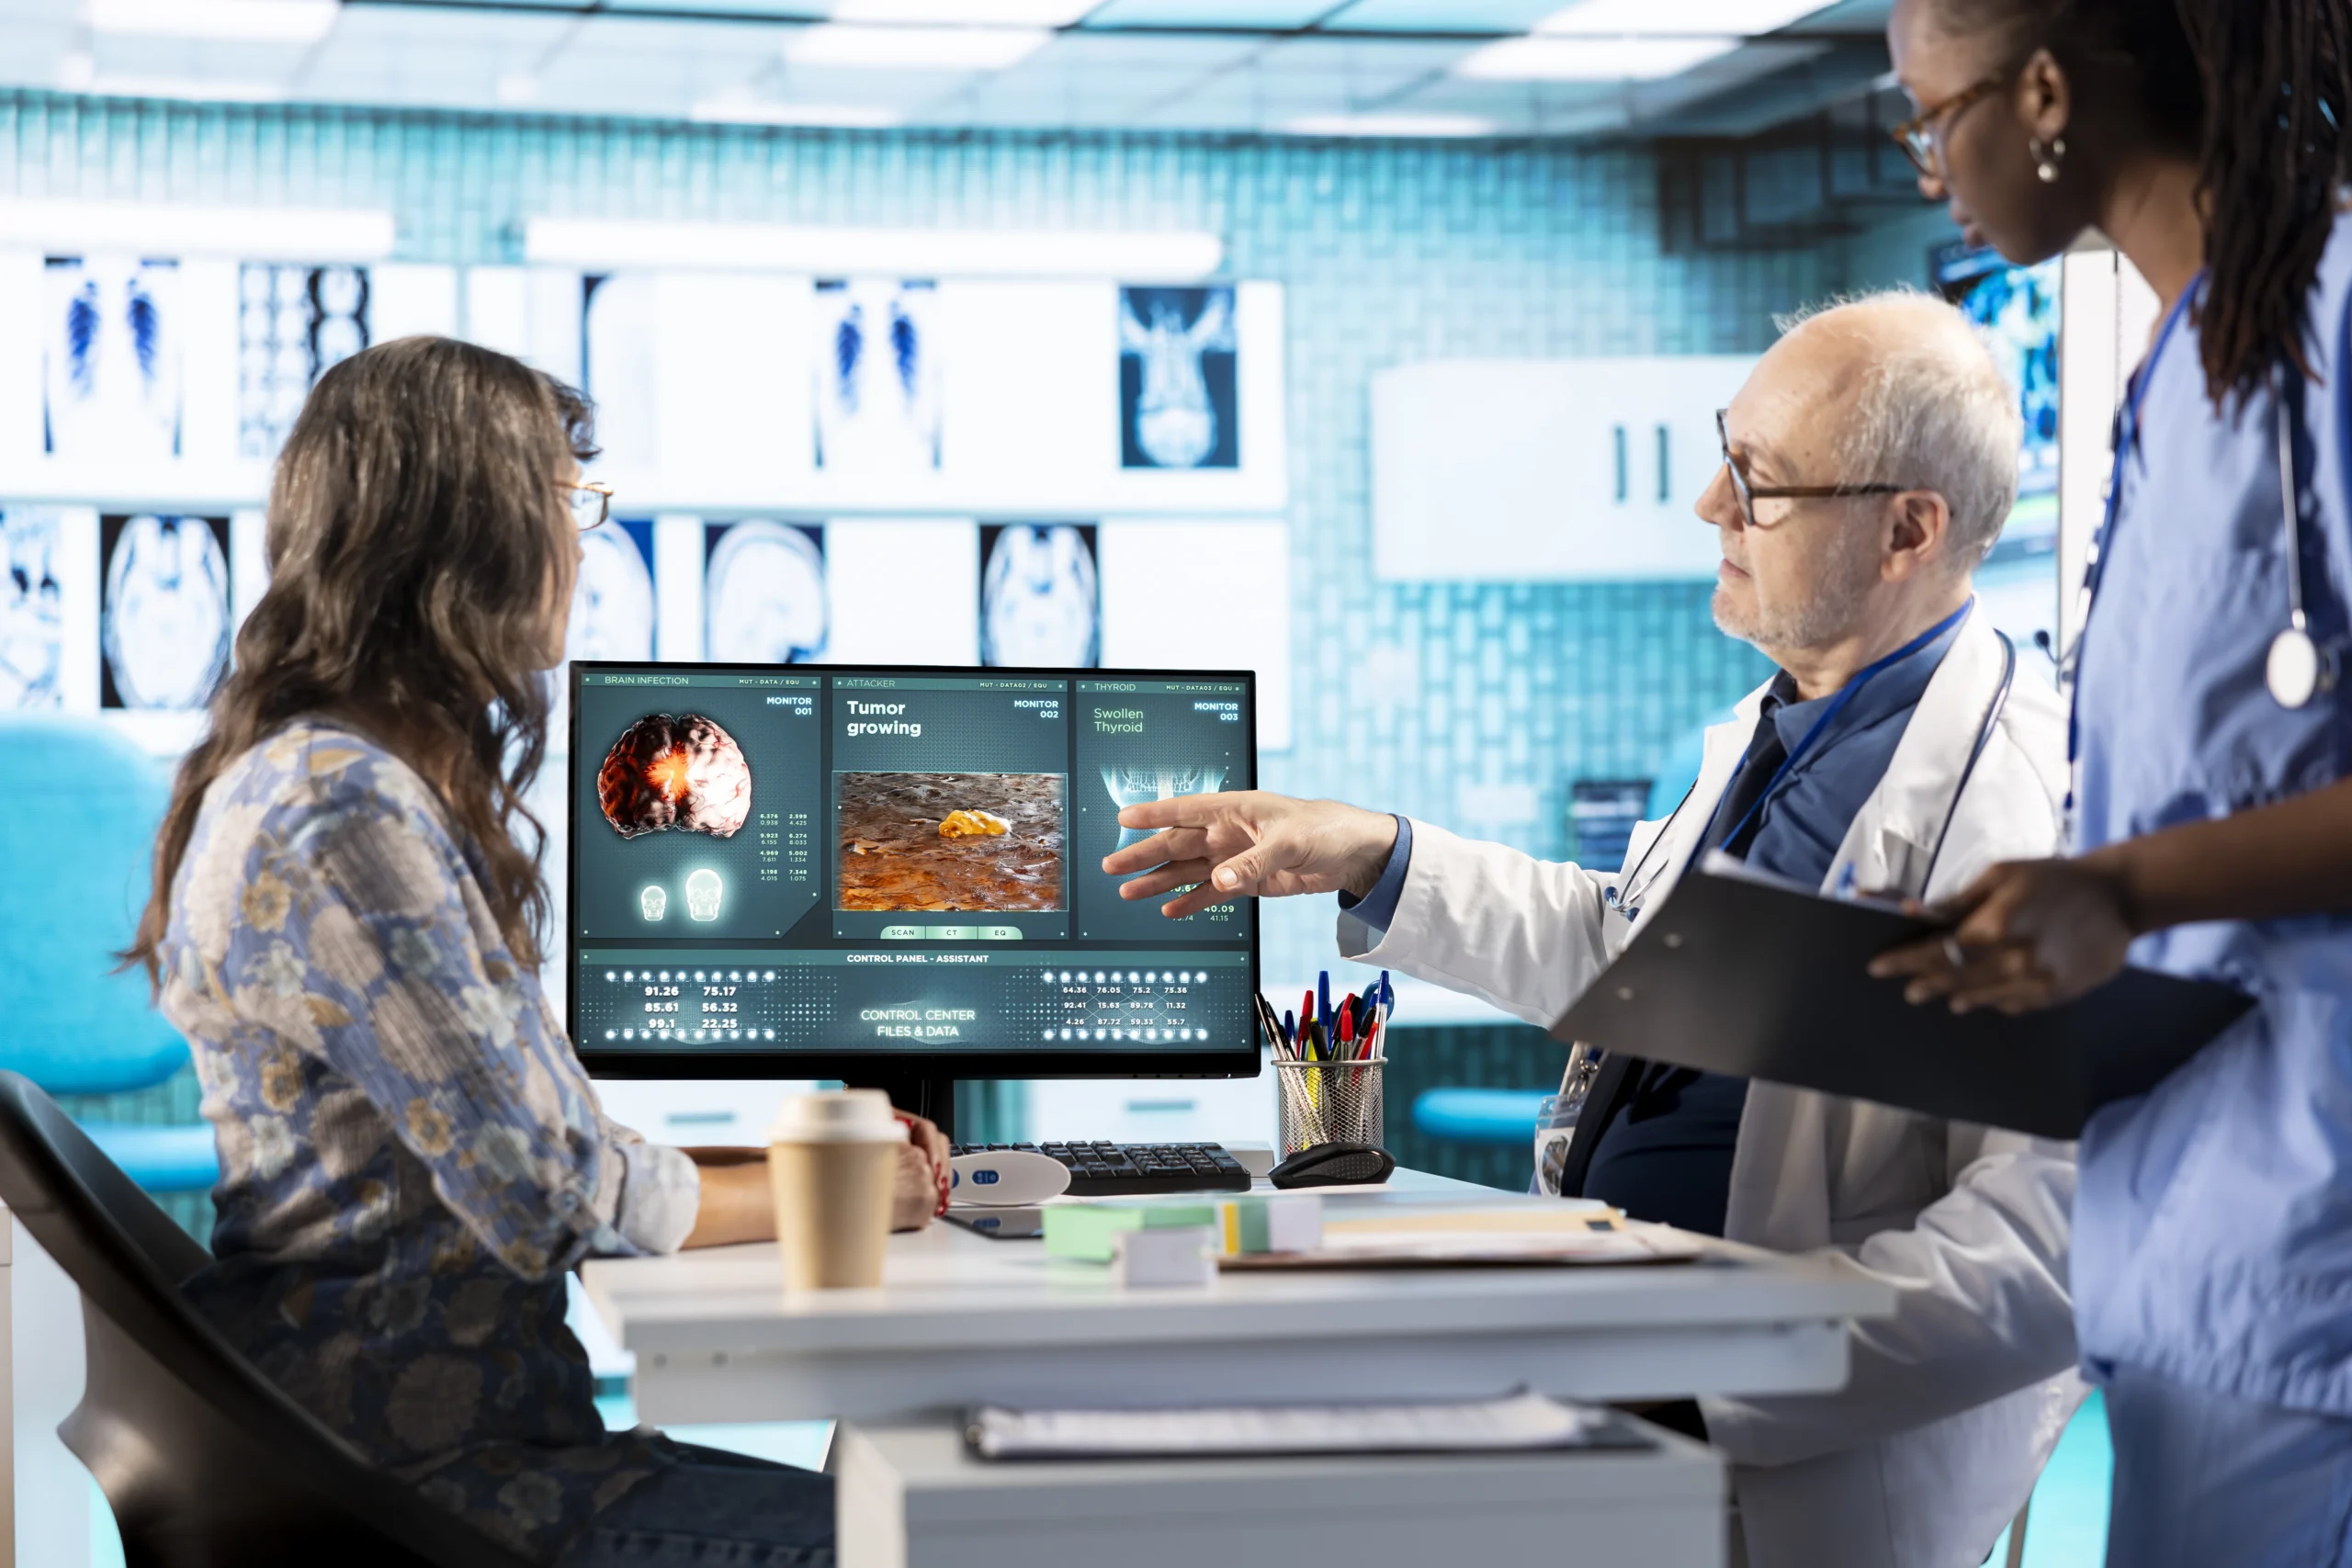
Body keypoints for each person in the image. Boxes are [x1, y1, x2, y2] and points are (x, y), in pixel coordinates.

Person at [1102, 293, 2077, 1568]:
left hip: (1789, 1474)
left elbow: (2044, 1248)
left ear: (1908, 529)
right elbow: (1642, 963)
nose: (1710, 504)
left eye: (1758, 479)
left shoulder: (2023, 807)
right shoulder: (1780, 730)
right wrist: (1375, 851)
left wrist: (1702, 1378)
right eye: (1726, 456)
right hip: (1626, 1381)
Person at [123, 335, 948, 1568]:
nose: (581, 544)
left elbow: (543, 1145)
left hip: (445, 1453)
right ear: (471, 532)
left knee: (920, 1496)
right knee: (942, 1536)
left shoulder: (350, 780)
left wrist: (813, 1164)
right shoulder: (340, 810)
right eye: (567, 503)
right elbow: (548, 1196)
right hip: (424, 1492)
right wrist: (829, 1196)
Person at [1867, 2, 2352, 1562]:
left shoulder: (2331, 318)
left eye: (1931, 116)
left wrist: (2123, 890)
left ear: (2045, 92)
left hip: (2312, 1254)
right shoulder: (2178, 369)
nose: (1928, 163)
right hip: (2192, 1244)